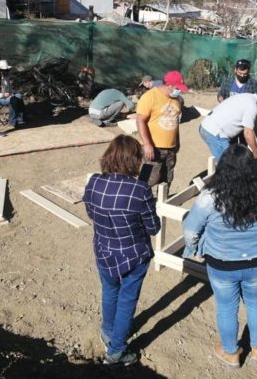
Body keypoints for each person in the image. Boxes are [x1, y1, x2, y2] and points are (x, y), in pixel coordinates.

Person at [183, 144, 257, 369]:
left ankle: (231, 353)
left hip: (221, 263)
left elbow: (190, 229)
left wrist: (195, 248)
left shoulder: (211, 196)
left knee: (227, 307)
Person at [83, 135, 161, 366]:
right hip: (133, 255)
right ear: (134, 161)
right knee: (127, 300)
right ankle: (116, 350)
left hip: (104, 250)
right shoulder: (140, 190)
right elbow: (153, 227)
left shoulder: (94, 182)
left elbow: (90, 212)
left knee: (109, 291)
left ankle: (108, 331)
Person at [136, 71, 188, 187]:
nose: (179, 91)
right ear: (168, 85)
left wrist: (177, 141)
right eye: (177, 88)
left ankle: (162, 201)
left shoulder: (177, 99)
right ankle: (139, 200)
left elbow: (175, 121)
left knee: (167, 178)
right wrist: (147, 144)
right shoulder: (150, 97)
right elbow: (140, 120)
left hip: (171, 148)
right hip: (153, 147)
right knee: (147, 179)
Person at [200, 89, 257, 161]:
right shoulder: (252, 107)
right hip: (214, 133)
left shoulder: (250, 99)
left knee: (231, 163)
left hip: (208, 127)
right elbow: (248, 133)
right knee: (230, 166)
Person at [0, 59, 26, 128]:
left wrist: (13, 92)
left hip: (8, 95)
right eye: (5, 70)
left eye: (7, 70)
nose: (7, 71)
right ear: (0, 70)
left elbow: (9, 88)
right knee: (13, 99)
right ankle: (13, 121)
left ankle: (22, 118)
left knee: (19, 96)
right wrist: (3, 95)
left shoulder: (7, 77)